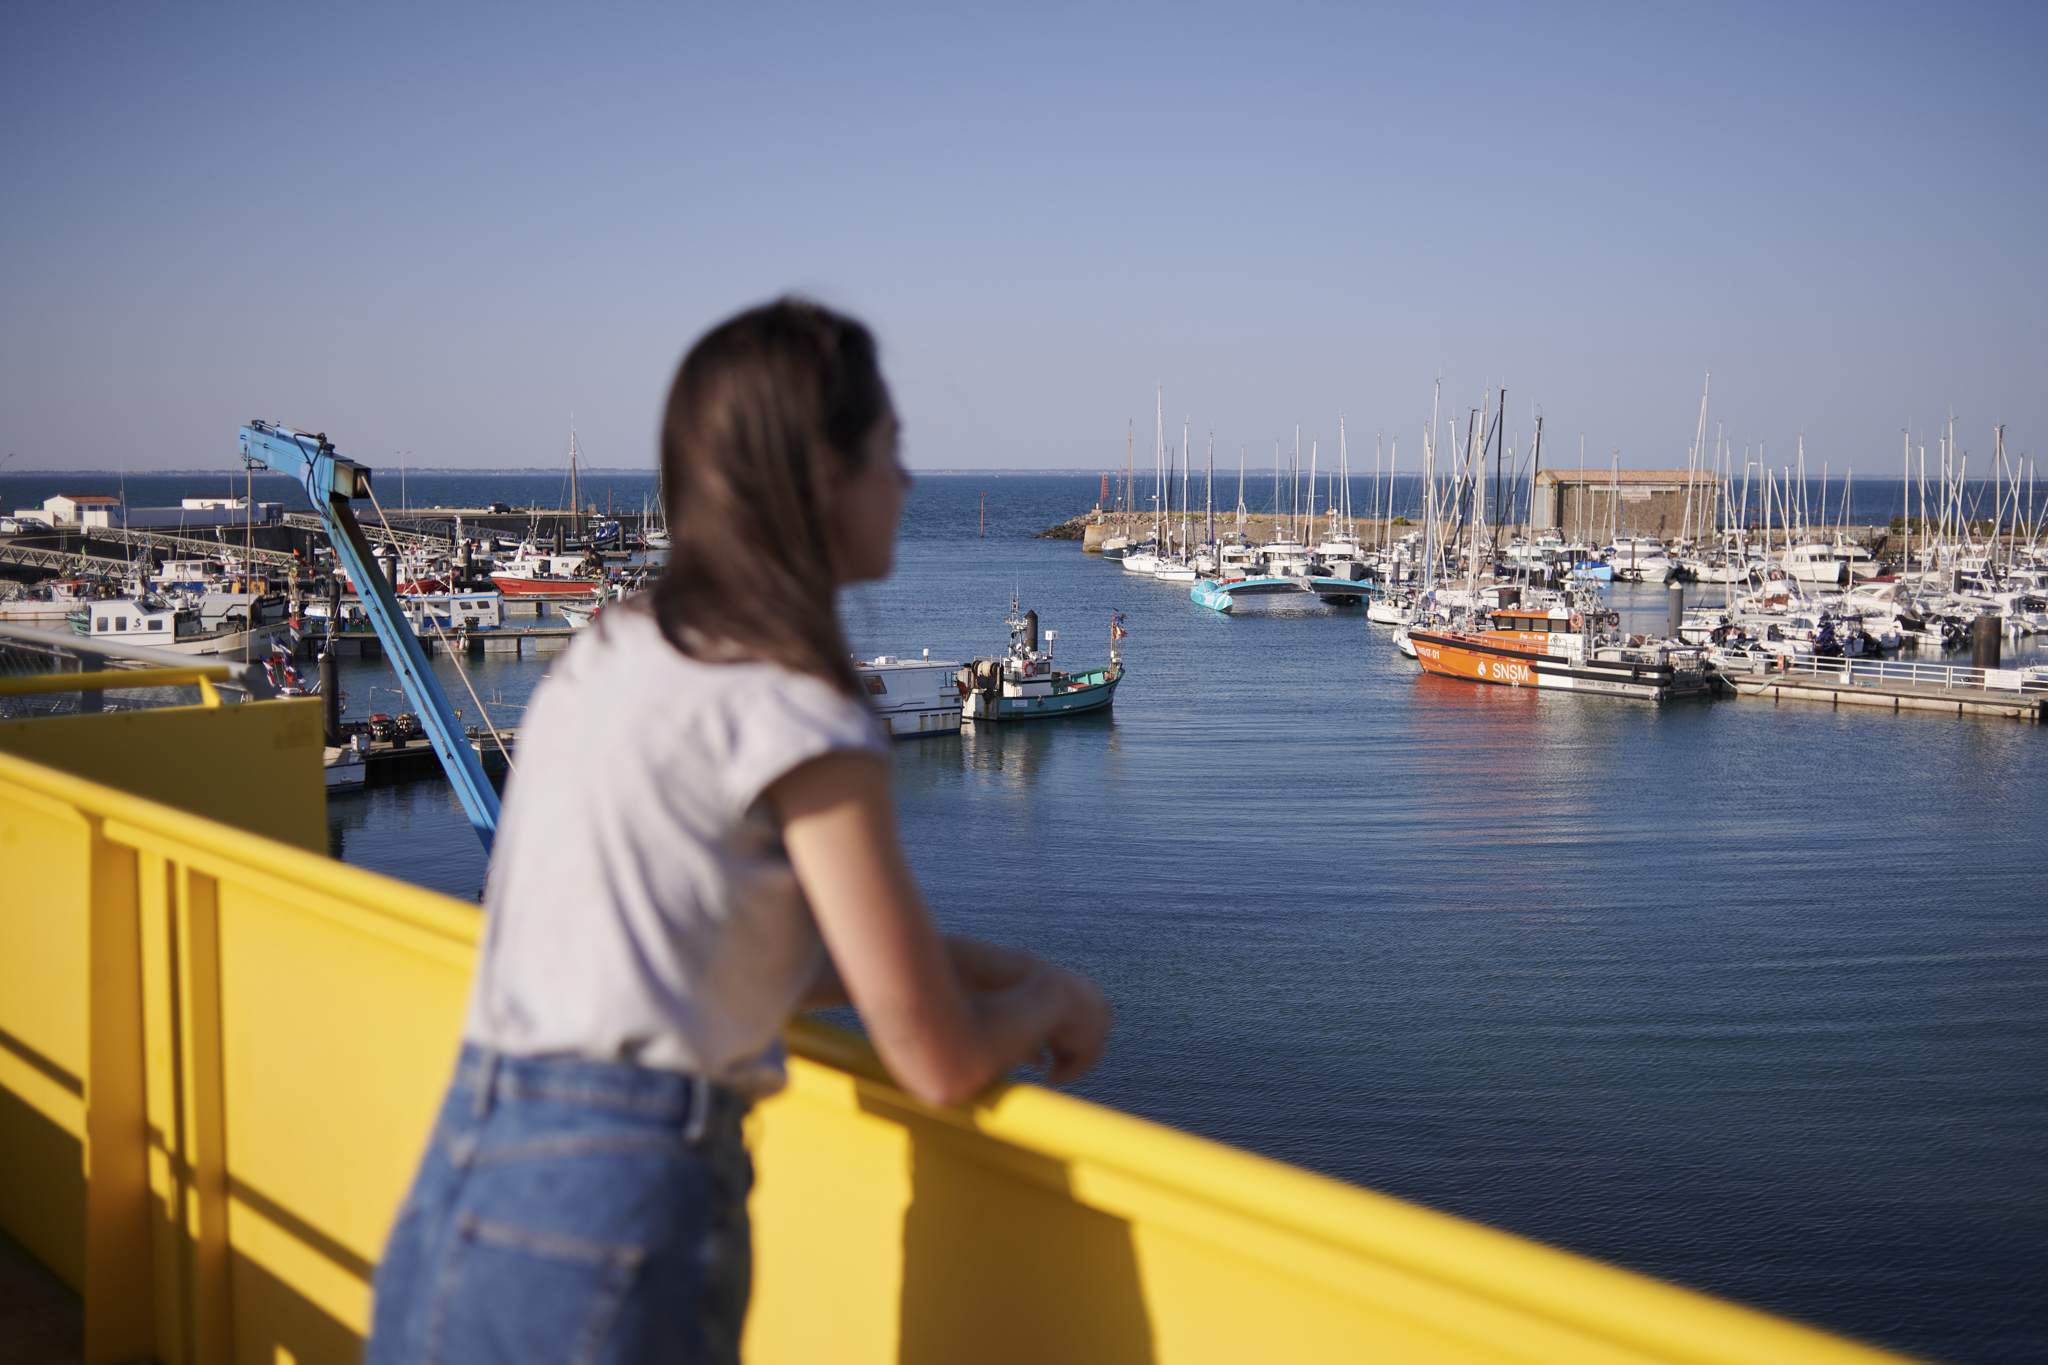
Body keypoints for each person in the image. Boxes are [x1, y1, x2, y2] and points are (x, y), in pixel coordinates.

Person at [365, 300, 1111, 1365]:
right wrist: (1048, 1000)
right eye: (889, 452)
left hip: (466, 1172)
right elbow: (933, 1059)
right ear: (818, 479)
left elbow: (746, 955)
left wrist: (995, 964)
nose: (905, 484)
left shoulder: (614, 649)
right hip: (618, 1206)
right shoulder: (801, 709)